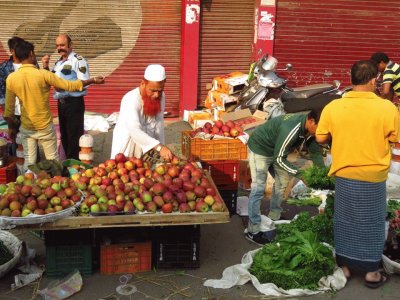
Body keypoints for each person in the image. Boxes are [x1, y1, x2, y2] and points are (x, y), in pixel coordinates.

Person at [315, 60, 399, 288]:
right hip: (373, 178)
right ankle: (371, 272)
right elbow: (395, 138)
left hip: (345, 175)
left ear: (351, 80)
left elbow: (320, 137)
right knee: (371, 222)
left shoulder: (334, 107)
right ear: (374, 80)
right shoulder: (387, 108)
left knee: (346, 221)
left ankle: (346, 267)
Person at [4, 40, 105, 171]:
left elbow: (8, 111)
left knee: (29, 163)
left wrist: (12, 127)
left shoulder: (12, 78)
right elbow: (70, 85)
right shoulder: (43, 75)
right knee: (53, 162)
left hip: (27, 128)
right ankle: (56, 183)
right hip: (45, 127)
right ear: (30, 54)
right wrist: (92, 80)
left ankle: (29, 185)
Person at [245, 110, 325, 245]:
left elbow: (316, 152)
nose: (321, 132)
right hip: (260, 149)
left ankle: (274, 215)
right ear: (311, 121)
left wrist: (323, 174)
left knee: (282, 182)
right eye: (320, 128)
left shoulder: (309, 130)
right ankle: (252, 231)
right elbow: (279, 159)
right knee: (258, 188)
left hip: (276, 150)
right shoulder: (291, 128)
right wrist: (300, 174)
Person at [111, 64, 174, 161]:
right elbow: (134, 130)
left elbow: (159, 124)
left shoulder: (162, 97)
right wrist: (159, 147)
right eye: (152, 90)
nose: (156, 95)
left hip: (149, 146)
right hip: (128, 145)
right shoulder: (130, 99)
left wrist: (162, 147)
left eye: (160, 91)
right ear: (143, 83)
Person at [41, 34, 90, 160]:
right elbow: (51, 78)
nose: (59, 48)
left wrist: (63, 88)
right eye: (57, 45)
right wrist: (46, 67)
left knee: (74, 136)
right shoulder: (58, 63)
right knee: (64, 136)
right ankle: (68, 164)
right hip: (62, 103)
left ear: (71, 45)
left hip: (74, 103)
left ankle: (74, 165)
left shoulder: (78, 60)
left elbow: (84, 84)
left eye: (62, 45)